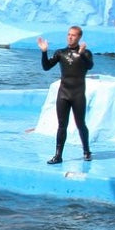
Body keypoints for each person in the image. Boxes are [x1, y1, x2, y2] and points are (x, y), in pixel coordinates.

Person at [39, 26, 94, 163]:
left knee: (80, 123)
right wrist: (44, 52)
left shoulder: (86, 54)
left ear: (79, 37)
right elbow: (46, 67)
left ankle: (86, 151)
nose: (70, 37)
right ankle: (58, 155)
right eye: (69, 34)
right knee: (62, 125)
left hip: (78, 95)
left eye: (73, 35)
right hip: (63, 93)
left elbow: (89, 66)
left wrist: (81, 53)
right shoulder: (60, 53)